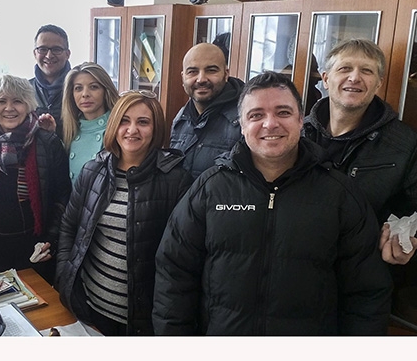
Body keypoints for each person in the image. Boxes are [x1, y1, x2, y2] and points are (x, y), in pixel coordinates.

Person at [153, 71, 392, 335]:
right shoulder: (210, 188)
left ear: (301, 120)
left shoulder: (340, 194)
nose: (270, 124)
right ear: (242, 125)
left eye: (283, 112)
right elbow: (174, 274)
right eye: (256, 115)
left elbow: (366, 292)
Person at [55, 90, 194, 336]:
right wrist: (64, 273)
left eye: (143, 122)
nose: (132, 130)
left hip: (140, 319)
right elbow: (69, 225)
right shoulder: (93, 170)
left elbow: (183, 258)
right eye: (124, 121)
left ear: (156, 129)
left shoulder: (176, 181)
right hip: (89, 307)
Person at [303, 38, 417, 325]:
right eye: (345, 68)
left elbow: (414, 209)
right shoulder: (297, 134)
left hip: (363, 291)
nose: (355, 77)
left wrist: (407, 241)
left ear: (378, 83)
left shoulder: (405, 144)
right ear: (325, 79)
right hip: (296, 279)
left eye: (366, 71)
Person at [0, 74, 71, 284]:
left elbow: (62, 196)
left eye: (17, 101)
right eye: (1, 101)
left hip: (33, 246)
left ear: (29, 105)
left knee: (35, 300)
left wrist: (50, 240)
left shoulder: (47, 142)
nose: (9, 108)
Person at [170, 42, 245, 179]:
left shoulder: (245, 120)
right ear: (183, 77)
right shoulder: (181, 119)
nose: (201, 79)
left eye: (211, 70)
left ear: (226, 74)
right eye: (192, 72)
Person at [59, 62, 119, 183]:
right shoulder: (71, 131)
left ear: (105, 90)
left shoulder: (118, 129)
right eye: (78, 88)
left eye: (93, 87)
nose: (85, 94)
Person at [29, 24, 71, 138]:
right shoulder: (24, 91)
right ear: (35, 53)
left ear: (67, 54)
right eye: (42, 49)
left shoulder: (78, 89)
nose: (49, 55)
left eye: (56, 49)